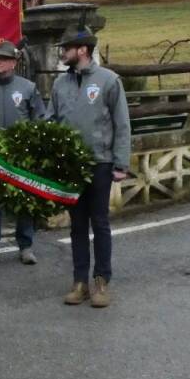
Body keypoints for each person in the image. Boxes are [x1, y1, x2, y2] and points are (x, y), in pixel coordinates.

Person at [50, 23, 131, 308]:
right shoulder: (60, 83)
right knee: (76, 226)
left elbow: (122, 124)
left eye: (66, 48)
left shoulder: (109, 80)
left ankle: (101, 282)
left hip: (100, 162)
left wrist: (121, 162)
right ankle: (80, 282)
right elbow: (52, 121)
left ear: (82, 50)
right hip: (72, 166)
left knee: (100, 222)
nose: (62, 52)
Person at [0, 41, 47, 266]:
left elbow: (39, 118)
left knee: (23, 200)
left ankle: (26, 245)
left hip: (21, 156)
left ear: (13, 62)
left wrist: (35, 147)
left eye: (3, 58)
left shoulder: (27, 87)